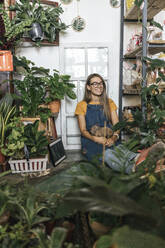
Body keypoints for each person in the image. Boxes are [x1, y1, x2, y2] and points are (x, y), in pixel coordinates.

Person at [75, 73, 120, 161]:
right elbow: (83, 130)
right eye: (95, 83)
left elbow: (117, 125)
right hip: (90, 141)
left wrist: (113, 138)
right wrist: (95, 139)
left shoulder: (109, 102)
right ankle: (132, 169)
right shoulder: (81, 105)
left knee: (122, 153)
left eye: (101, 83)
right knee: (107, 156)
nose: (99, 86)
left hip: (109, 139)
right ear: (88, 87)